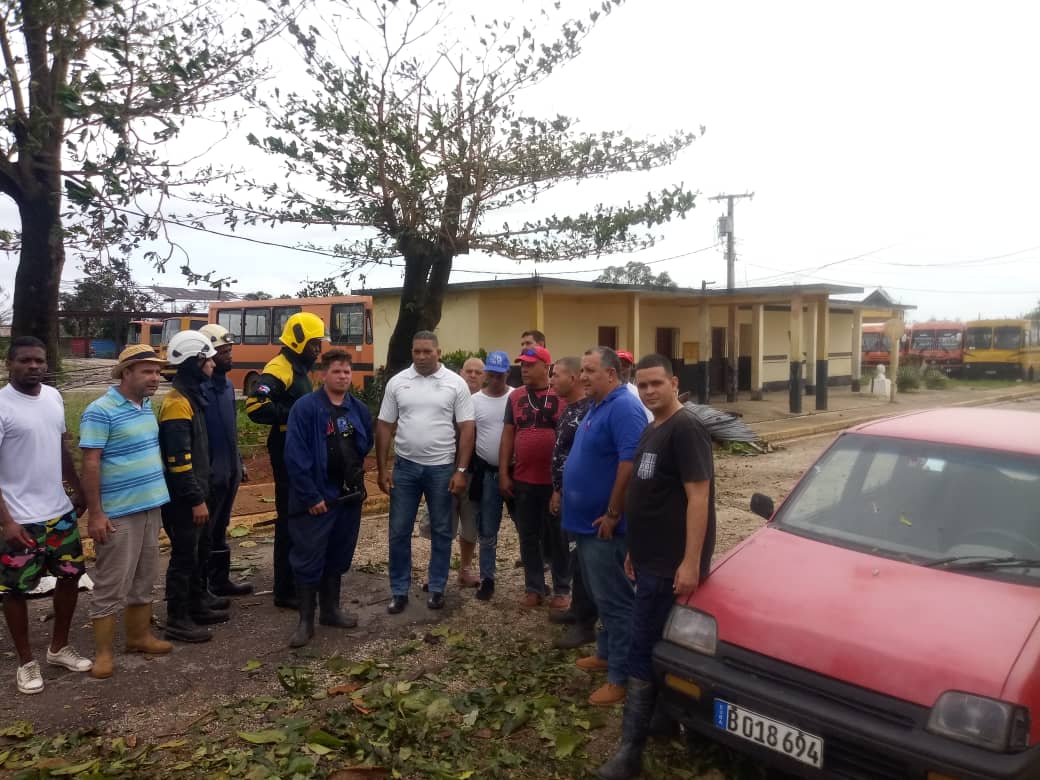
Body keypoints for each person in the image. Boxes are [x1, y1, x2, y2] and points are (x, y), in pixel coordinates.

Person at [597, 354, 715, 780]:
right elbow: (649, 494)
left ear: (674, 383)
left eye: (656, 384)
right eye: (643, 384)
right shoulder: (653, 427)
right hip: (648, 558)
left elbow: (699, 498)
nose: (648, 391)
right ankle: (663, 721)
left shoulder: (686, 429)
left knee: (641, 648)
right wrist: (635, 549)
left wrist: (691, 561)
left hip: (670, 564)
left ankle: (630, 752)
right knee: (655, 643)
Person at [0, 337, 92, 694]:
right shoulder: (3, 405)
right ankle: (26, 662)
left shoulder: (53, 397)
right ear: (9, 364)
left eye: (39, 360)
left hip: (59, 512)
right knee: (15, 589)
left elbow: (60, 447)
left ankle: (59, 648)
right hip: (20, 519)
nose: (34, 366)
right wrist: (7, 521)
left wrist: (78, 489)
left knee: (70, 577)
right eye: (25, 360)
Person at [561, 347, 647, 706]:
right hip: (584, 524)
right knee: (601, 596)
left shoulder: (624, 407)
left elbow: (630, 464)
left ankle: (621, 677)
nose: (582, 376)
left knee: (615, 602)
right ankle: (606, 653)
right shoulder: (597, 405)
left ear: (611, 374)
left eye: (590, 371)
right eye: (581, 370)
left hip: (604, 527)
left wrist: (613, 513)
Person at [81, 344, 172, 679]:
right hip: (118, 513)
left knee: (145, 578)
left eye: (157, 371)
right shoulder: (100, 410)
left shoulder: (145, 406)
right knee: (111, 583)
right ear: (126, 373)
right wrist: (95, 514)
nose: (155, 377)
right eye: (147, 371)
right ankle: (103, 654)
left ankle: (138, 637)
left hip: (150, 506)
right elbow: (91, 464)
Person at [376, 331, 475, 613]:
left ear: (438, 352)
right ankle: (399, 591)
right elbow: (384, 425)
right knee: (398, 531)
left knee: (442, 531)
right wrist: (383, 468)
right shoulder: (398, 382)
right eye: (416, 351)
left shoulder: (455, 383)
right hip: (405, 468)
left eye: (427, 352)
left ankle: (437, 588)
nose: (421, 357)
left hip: (442, 469)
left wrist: (461, 470)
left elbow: (467, 427)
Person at [284, 349, 373, 647]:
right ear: (323, 374)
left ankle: (331, 610)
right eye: (337, 371)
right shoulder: (305, 408)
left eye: (347, 371)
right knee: (309, 557)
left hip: (347, 498)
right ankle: (305, 622)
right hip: (316, 499)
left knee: (338, 554)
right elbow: (295, 456)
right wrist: (311, 496)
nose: (343, 376)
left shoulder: (357, 409)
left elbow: (364, 444)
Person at [245, 312, 329, 609]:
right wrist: (295, 415)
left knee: (301, 515)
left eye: (319, 344)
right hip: (285, 449)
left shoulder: (298, 368)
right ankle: (284, 589)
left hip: (299, 447)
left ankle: (297, 580)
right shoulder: (279, 368)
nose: (318, 350)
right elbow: (255, 406)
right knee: (289, 518)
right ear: (298, 340)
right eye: (314, 344)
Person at [158, 330, 224, 644]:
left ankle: (198, 603)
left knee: (200, 549)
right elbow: (179, 462)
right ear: (193, 362)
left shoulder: (191, 397)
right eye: (207, 359)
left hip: (197, 491)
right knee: (184, 557)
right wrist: (196, 499)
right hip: (184, 498)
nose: (213, 364)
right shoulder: (176, 404)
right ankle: (177, 618)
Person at [499, 345, 570, 609]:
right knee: (528, 535)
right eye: (523, 365)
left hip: (555, 482)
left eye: (530, 365)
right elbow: (508, 434)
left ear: (546, 367)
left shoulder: (561, 395)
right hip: (524, 479)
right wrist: (504, 472)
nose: (524, 370)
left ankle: (562, 588)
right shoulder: (515, 396)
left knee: (559, 536)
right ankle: (534, 587)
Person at [548, 356, 597, 649]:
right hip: (567, 494)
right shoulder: (569, 409)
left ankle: (586, 623)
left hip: (582, 497)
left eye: (556, 375)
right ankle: (577, 609)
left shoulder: (590, 410)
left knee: (582, 558)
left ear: (573, 378)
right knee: (572, 555)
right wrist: (557, 489)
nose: (551, 380)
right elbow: (562, 453)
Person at [200, 324, 252, 597]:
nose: (229, 356)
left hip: (229, 469)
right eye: (223, 352)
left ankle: (220, 581)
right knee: (205, 531)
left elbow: (230, 429)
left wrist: (239, 462)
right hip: (209, 471)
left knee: (221, 526)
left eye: (230, 351)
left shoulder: (228, 387)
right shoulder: (200, 388)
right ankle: (202, 587)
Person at [465, 350, 511, 600]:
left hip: (515, 473)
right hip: (487, 474)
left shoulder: (516, 397)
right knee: (487, 529)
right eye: (491, 375)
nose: (495, 380)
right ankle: (487, 578)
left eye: (499, 375)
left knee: (527, 528)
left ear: (507, 374)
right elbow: (468, 435)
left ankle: (534, 581)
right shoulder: (475, 401)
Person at [454, 356, 484, 586]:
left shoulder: (487, 402)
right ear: (460, 373)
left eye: (478, 372)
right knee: (440, 522)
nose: (472, 375)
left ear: (485, 377)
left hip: (476, 472)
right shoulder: (449, 397)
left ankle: (465, 569)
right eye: (468, 371)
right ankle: (435, 570)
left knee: (470, 523)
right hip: (445, 469)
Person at [617, 351, 652, 424]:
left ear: (631, 368)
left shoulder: (638, 393)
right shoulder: (604, 393)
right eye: (618, 366)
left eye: (625, 366)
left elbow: (649, 419)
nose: (621, 369)